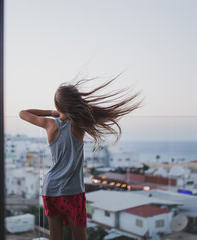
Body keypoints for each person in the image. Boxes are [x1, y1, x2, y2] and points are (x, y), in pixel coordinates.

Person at [19, 76, 143, 240]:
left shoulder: (49, 124)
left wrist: (51, 112)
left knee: (56, 237)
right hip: (72, 191)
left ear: (58, 105)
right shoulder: (78, 124)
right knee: (79, 237)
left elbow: (23, 113)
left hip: (51, 188)